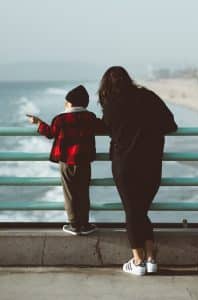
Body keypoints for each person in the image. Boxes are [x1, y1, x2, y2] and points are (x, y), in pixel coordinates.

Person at [98, 66, 178, 275]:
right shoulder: (148, 97)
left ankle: (138, 261)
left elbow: (105, 127)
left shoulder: (111, 105)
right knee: (140, 211)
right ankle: (151, 259)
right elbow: (170, 124)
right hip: (151, 164)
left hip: (125, 165)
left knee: (133, 212)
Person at [27, 85, 106, 236]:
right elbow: (103, 127)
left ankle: (73, 224)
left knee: (69, 193)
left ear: (70, 103)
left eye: (66, 102)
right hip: (84, 162)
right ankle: (85, 224)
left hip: (66, 162)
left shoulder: (60, 119)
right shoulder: (89, 118)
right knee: (83, 192)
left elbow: (50, 133)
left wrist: (38, 123)